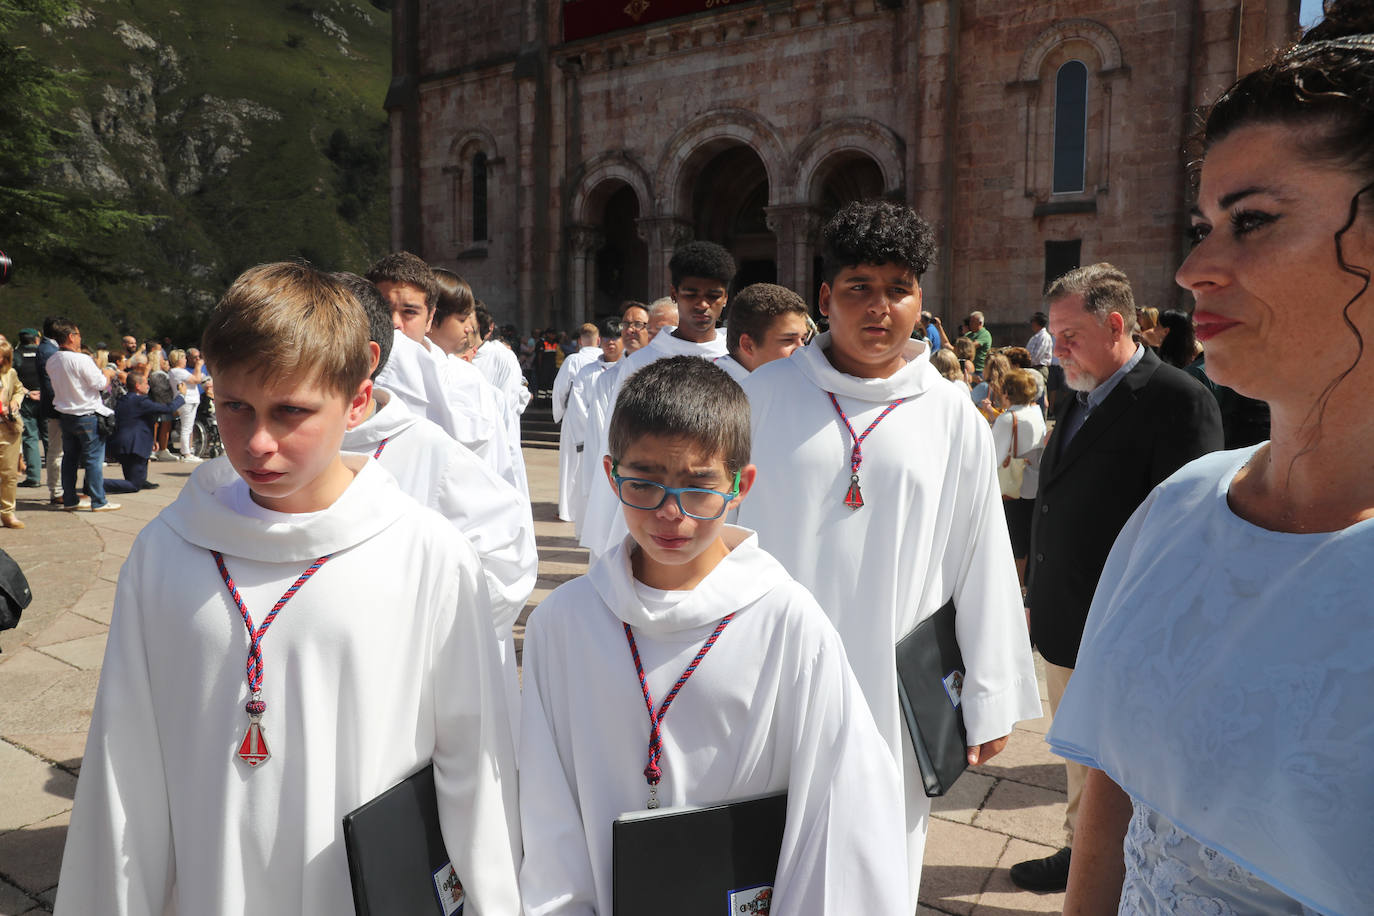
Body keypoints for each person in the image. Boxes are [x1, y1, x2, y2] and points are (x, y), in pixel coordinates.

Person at [54, 262, 522, 915]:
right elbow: (121, 770)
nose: (259, 443)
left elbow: (475, 765)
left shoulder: (427, 556)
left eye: (291, 412)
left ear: (357, 401)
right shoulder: (166, 552)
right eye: (236, 408)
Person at [1053, 15, 1374, 909]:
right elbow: (1117, 794)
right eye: (1202, 225)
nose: (1194, 267)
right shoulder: (1182, 506)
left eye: (1254, 221)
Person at [519, 356, 907, 914]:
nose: (669, 513)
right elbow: (545, 799)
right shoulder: (564, 622)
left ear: (740, 484)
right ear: (610, 475)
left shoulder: (785, 622)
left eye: (698, 487)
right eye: (643, 483)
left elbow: (842, 805)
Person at [736, 199, 1042, 905]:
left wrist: (990, 693)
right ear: (824, 298)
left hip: (893, 684)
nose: (880, 309)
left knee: (880, 858)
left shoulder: (949, 414)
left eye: (899, 288)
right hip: (773, 670)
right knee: (765, 849)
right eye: (859, 289)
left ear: (921, 300)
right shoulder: (762, 396)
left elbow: (981, 553)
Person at [1012, 262, 1223, 893]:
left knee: (1116, 760)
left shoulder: (1178, 401)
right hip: (1065, 617)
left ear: (1114, 324)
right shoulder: (1077, 390)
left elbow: (1191, 534)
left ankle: (1103, 866)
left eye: (1070, 333)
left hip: (1123, 629)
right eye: (1054, 333)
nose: (1059, 348)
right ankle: (1081, 849)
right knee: (1076, 749)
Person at [335, 270, 536, 740]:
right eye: (387, 311)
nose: (399, 324)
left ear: (431, 316)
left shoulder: (463, 392)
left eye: (410, 312)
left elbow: (504, 534)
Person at [580, 242, 735, 558]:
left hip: (713, 499)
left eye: (713, 295)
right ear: (675, 294)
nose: (702, 304)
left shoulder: (739, 362)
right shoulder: (642, 363)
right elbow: (616, 442)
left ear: (726, 298)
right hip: (655, 501)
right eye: (691, 294)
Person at [575, 304, 652, 529]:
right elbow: (599, 432)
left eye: (638, 324)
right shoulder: (608, 379)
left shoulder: (661, 371)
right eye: (626, 324)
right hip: (618, 471)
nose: (630, 330)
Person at [47, 320, 119, 512]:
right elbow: (100, 384)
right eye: (78, 335)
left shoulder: (52, 360)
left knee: (69, 459)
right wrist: (107, 375)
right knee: (93, 460)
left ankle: (70, 499)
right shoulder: (81, 359)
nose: (80, 338)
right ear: (71, 336)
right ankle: (99, 500)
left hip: (66, 414)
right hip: (87, 413)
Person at [557, 316, 622, 523]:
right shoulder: (588, 372)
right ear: (599, 340)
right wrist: (591, 435)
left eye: (616, 337)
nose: (611, 343)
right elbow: (577, 407)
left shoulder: (629, 370)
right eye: (607, 338)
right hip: (593, 441)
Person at [991, 368, 1047, 587]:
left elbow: (993, 457)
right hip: (1034, 481)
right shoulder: (1035, 411)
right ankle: (1026, 584)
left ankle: (1016, 586)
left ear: (1007, 391)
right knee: (1028, 537)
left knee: (1015, 541)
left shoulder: (1007, 419)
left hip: (1013, 485)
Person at [104, 369, 185, 493]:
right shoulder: (140, 401)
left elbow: (139, 421)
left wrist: (152, 440)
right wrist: (181, 395)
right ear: (137, 386)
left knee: (135, 476)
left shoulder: (124, 399)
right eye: (145, 383)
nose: (148, 386)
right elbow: (168, 409)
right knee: (133, 486)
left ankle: (140, 480)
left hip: (125, 444)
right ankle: (98, 482)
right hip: (134, 446)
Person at [716, 282, 810, 381]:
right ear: (748, 346)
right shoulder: (708, 392)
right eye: (788, 340)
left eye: (803, 339)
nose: (802, 351)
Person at [551, 322, 602, 424]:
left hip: (575, 419)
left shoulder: (572, 360)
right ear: (598, 340)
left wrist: (559, 413)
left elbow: (560, 390)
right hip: (601, 416)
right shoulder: (607, 360)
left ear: (579, 341)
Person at [0, 341, 28, 528]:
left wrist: (15, 402)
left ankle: (7, 512)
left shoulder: (10, 374)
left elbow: (18, 389)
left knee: (9, 473)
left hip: (7, 428)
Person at [167, 348, 206, 462]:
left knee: (188, 427)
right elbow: (196, 379)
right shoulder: (178, 371)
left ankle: (188, 450)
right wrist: (198, 366)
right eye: (183, 358)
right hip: (187, 401)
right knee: (186, 428)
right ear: (178, 359)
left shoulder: (177, 371)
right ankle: (186, 453)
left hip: (189, 400)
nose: (185, 360)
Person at [16, 329, 43, 488]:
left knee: (30, 438)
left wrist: (27, 392)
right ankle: (57, 480)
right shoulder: (45, 354)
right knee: (50, 440)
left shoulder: (16, 355)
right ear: (36, 340)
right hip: (46, 398)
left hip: (26, 399)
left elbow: (11, 377)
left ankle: (34, 476)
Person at [964, 309, 993, 378]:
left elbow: (971, 347)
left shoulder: (984, 334)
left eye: (973, 321)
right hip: (967, 368)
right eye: (970, 321)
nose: (970, 323)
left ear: (980, 323)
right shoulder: (968, 334)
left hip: (978, 370)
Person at [1026, 310, 1053, 377]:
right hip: (1032, 368)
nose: (1031, 324)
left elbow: (1037, 356)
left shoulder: (1044, 337)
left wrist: (1027, 363)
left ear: (1037, 323)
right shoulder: (1034, 337)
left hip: (1039, 368)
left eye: (1033, 321)